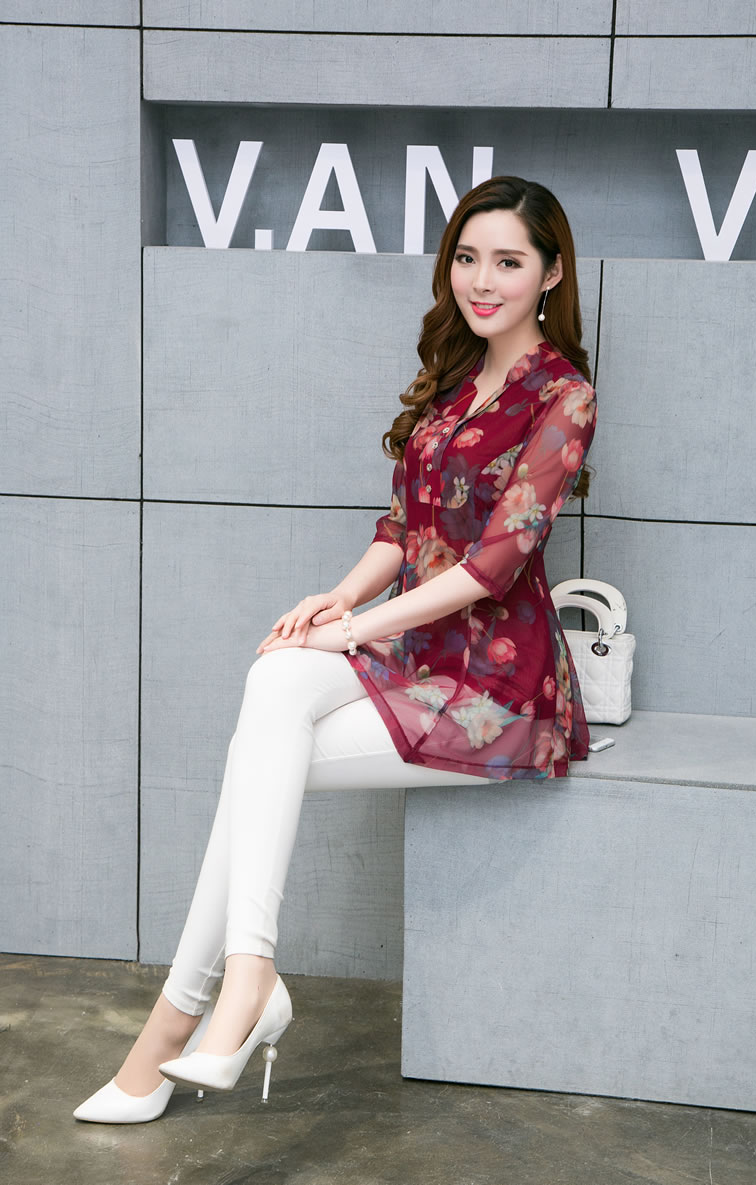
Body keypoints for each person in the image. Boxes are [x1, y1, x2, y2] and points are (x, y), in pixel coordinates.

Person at [73, 175, 598, 1123]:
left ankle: (178, 1026)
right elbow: (404, 526)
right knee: (276, 675)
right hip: (415, 654)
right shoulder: (455, 379)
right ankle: (246, 977)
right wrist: (339, 595)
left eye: (508, 262)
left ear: (551, 274)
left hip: (496, 689)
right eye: (467, 258)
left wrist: (357, 628)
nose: (482, 282)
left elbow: (495, 564)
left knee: (256, 759)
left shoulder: (563, 396)